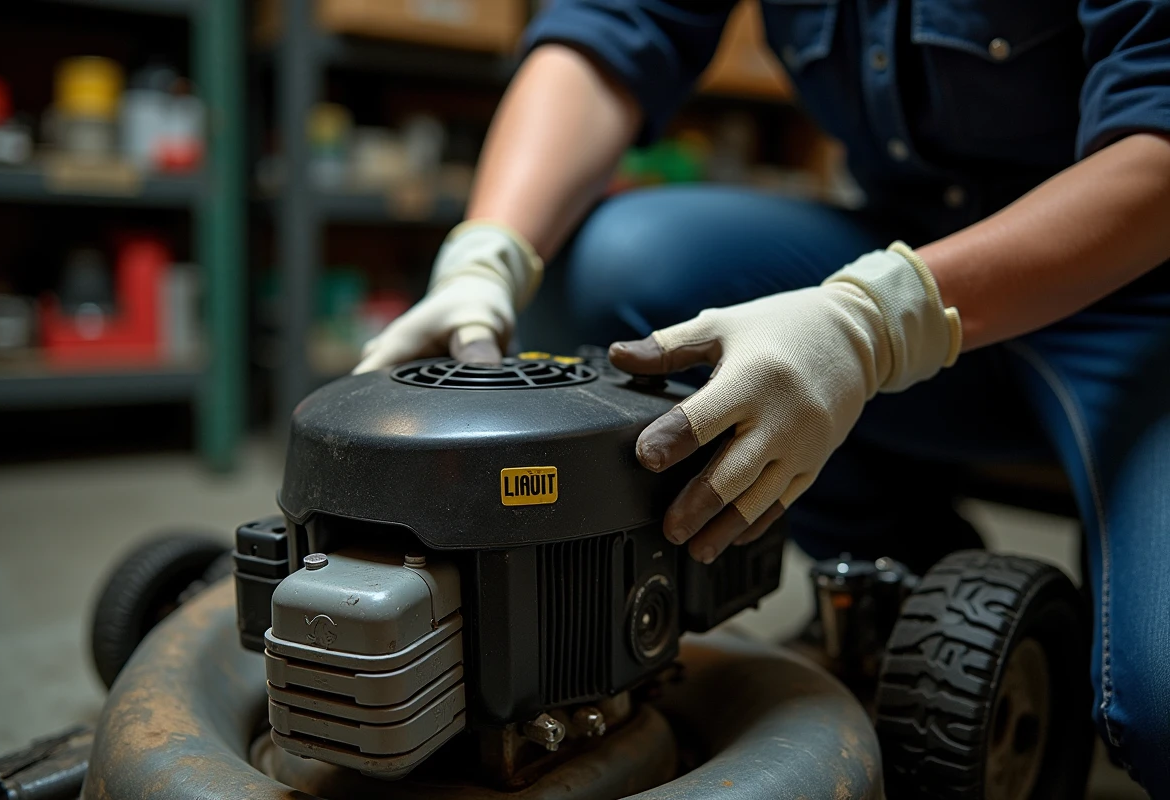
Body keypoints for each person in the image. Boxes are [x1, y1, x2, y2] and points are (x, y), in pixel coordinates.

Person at [355, 0, 1170, 791]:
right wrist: (489, 249)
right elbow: (612, 25)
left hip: (1139, 297)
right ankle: (894, 566)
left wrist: (873, 321)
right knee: (619, 266)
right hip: (904, 246)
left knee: (1158, 705)